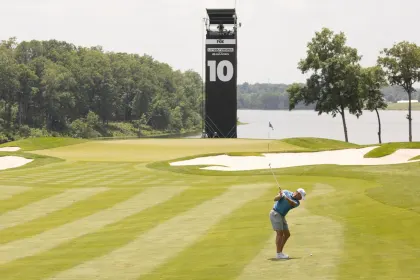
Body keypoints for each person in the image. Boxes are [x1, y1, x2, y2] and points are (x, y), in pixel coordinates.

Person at [269, 188, 306, 259]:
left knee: (287, 234)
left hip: (282, 216)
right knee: (280, 233)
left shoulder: (297, 202)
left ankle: (280, 252)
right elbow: (275, 199)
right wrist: (280, 196)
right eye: (301, 197)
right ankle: (278, 254)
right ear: (298, 193)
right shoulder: (286, 192)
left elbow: (292, 203)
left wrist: (285, 197)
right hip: (275, 213)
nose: (301, 199)